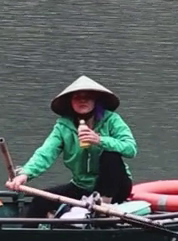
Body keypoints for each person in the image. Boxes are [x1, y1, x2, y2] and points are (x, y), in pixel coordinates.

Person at [10, 75, 139, 216]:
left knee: (110, 155)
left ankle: (103, 205)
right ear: (70, 102)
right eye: (77, 97)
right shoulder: (63, 126)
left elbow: (130, 149)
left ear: (95, 101)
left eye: (87, 97)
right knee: (40, 201)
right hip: (82, 186)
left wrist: (100, 140)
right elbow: (46, 152)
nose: (82, 100)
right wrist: (26, 174)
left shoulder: (111, 120)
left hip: (115, 188)